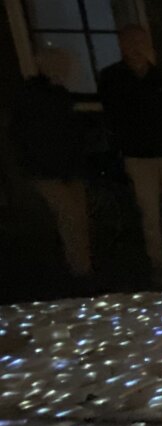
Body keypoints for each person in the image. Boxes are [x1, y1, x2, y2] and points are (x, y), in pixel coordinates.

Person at [99, 24, 162, 287]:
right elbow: (114, 118)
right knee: (149, 212)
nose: (135, 46)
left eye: (140, 41)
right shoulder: (112, 78)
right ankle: (158, 263)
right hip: (138, 155)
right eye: (130, 41)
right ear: (121, 45)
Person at [10, 47, 92, 281]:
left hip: (69, 168)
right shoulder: (31, 96)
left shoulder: (61, 94)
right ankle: (80, 270)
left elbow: (70, 133)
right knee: (70, 217)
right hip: (45, 170)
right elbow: (22, 134)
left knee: (79, 219)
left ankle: (83, 266)